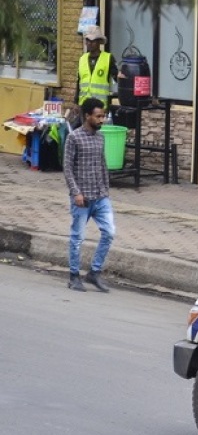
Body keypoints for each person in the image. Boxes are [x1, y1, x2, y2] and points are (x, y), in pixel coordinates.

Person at [64, 98, 116, 292]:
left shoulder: (100, 138)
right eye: (98, 116)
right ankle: (74, 276)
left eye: (103, 116)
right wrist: (76, 192)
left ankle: (94, 272)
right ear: (87, 116)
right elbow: (68, 168)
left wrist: (106, 190)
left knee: (109, 232)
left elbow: (102, 165)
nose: (102, 120)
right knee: (77, 238)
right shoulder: (74, 138)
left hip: (100, 196)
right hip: (82, 198)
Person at [77, 25, 118, 107]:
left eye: (93, 40)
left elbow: (116, 78)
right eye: (88, 40)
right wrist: (75, 102)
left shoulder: (108, 58)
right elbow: (78, 82)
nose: (90, 43)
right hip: (84, 104)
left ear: (99, 42)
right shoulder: (82, 59)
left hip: (100, 105)